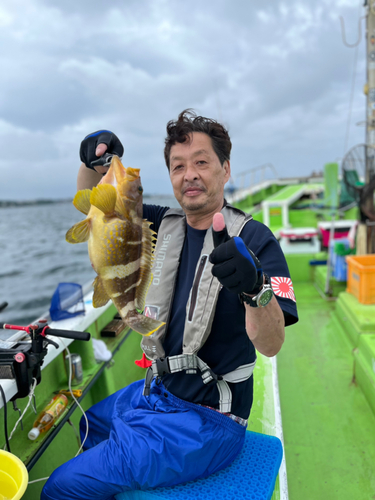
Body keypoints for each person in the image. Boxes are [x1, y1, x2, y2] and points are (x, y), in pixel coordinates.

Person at [41, 110, 298, 500]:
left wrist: (254, 288)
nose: (189, 174)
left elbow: (272, 343)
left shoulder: (256, 240)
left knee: (61, 487)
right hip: (159, 392)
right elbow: (99, 205)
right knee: (88, 425)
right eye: (178, 166)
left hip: (211, 421)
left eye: (201, 162)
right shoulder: (163, 223)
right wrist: (90, 162)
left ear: (225, 170)